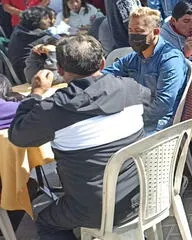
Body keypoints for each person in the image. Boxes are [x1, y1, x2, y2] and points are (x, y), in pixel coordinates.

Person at [9, 35, 150, 240]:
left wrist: (36, 93)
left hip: (94, 210)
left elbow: (18, 135)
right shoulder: (131, 89)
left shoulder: (54, 109)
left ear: (60, 71)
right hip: (144, 194)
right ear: (102, 63)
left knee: (46, 221)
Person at [103, 7, 188, 135]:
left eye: (139, 31)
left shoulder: (170, 60)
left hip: (157, 127)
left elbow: (162, 106)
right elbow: (107, 73)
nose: (133, 35)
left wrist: (129, 116)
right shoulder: (136, 56)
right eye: (131, 31)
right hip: (136, 116)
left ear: (156, 32)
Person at [7, 7, 57, 83]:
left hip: (17, 73)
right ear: (36, 21)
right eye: (46, 18)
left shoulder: (19, 30)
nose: (49, 21)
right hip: (33, 76)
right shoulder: (38, 36)